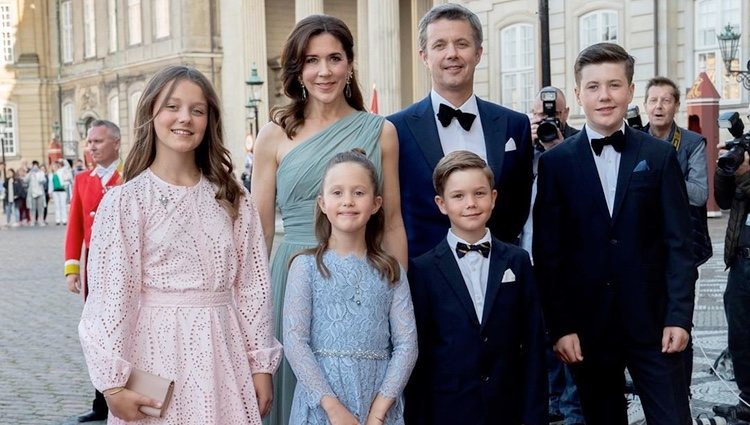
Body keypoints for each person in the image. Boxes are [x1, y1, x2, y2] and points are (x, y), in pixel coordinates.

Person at [78, 65, 282, 424]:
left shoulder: (233, 198)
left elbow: (253, 288)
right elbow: (111, 298)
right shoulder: (127, 202)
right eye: (172, 106)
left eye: (197, 110)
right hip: (155, 355)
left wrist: (260, 364)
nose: (184, 118)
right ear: (152, 113)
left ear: (209, 120)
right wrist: (112, 385)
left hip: (223, 350)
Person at [252, 14, 407, 425]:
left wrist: (396, 294)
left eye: (334, 58)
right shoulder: (274, 134)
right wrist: (252, 311)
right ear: (298, 70)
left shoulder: (381, 131)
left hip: (361, 279)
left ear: (350, 64)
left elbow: (391, 222)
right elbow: (259, 232)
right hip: (291, 277)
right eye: (311, 60)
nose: (324, 71)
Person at [533, 42, 694, 425]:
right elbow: (549, 255)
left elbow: (678, 245)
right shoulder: (556, 165)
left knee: (673, 418)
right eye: (593, 87)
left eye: (614, 85)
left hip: (655, 325)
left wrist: (679, 316)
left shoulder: (658, 156)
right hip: (589, 330)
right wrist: (561, 328)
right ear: (578, 94)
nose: (604, 96)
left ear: (630, 91)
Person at [407, 150, 546, 425]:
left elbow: (533, 345)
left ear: (493, 198)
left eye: (479, 193)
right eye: (458, 196)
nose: (470, 203)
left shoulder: (517, 261)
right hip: (448, 411)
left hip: (509, 409)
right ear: (441, 203)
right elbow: (418, 356)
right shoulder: (422, 270)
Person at [387, 3, 533, 259]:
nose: (451, 54)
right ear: (424, 56)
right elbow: (391, 215)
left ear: (478, 53)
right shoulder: (395, 129)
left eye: (462, 44)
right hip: (424, 282)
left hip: (499, 276)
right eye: (440, 45)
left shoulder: (515, 125)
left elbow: (519, 206)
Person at [283, 149, 417, 425]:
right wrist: (332, 407)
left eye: (358, 193)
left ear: (376, 203)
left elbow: (407, 344)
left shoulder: (391, 271)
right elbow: (296, 342)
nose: (347, 201)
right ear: (321, 202)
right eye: (337, 193)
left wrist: (380, 409)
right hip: (321, 404)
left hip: (376, 400)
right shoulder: (305, 267)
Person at [643, 76, 712, 394]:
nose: (658, 107)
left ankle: (679, 390)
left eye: (665, 100)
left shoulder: (692, 144)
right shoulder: (631, 139)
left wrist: (659, 175)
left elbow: (698, 194)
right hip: (640, 250)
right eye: (653, 100)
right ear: (644, 104)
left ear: (675, 106)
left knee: (678, 319)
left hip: (680, 249)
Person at [520, 87, 584, 425]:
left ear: (567, 113)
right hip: (526, 256)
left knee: (569, 332)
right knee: (537, 334)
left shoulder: (576, 145)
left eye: (554, 114)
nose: (547, 121)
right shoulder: (519, 148)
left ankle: (572, 408)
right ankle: (549, 401)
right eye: (539, 116)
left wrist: (558, 150)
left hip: (566, 261)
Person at [64, 119, 123, 423]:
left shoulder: (129, 177)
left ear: (116, 143)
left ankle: (123, 397)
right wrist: (72, 268)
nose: (91, 148)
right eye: (89, 143)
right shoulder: (82, 180)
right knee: (97, 335)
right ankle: (100, 403)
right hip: (93, 269)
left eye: (98, 142)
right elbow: (74, 225)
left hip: (123, 267)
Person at [712, 134, 750, 421]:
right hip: (741, 260)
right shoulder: (744, 148)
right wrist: (725, 170)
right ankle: (747, 402)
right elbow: (723, 201)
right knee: (740, 336)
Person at [25, 160, 47, 226]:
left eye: (36, 165)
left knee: (40, 208)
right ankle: (33, 220)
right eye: (33, 165)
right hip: (32, 193)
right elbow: (25, 180)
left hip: (40, 192)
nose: (35, 167)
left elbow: (44, 181)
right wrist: (30, 173)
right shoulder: (30, 173)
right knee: (32, 208)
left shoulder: (41, 173)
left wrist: (40, 177)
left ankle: (41, 220)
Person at [48, 161, 70, 225]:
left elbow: (67, 166)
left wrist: (63, 160)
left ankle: (64, 220)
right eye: (53, 166)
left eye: (55, 166)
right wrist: (50, 192)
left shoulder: (61, 171)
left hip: (62, 190)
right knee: (57, 206)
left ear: (57, 166)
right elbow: (50, 184)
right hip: (55, 191)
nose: (54, 167)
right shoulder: (51, 175)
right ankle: (58, 220)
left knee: (63, 205)